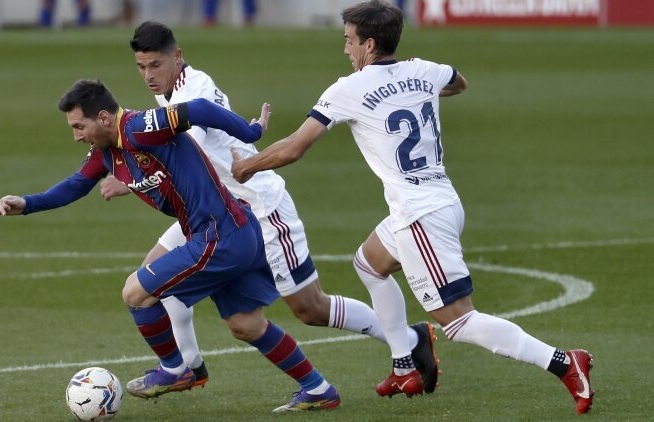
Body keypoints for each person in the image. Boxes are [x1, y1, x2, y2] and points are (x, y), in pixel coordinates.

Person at [230, 0, 595, 414]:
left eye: (349, 40)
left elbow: (294, 147)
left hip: (420, 217)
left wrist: (246, 167)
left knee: (459, 321)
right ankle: (404, 364)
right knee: (370, 263)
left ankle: (564, 362)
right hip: (439, 200)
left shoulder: (349, 89)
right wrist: (417, 92)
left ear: (369, 44)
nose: (346, 49)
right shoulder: (425, 70)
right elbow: (458, 83)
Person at [97, 20, 439, 404]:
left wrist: (133, 180)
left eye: (155, 65)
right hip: (215, 211)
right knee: (150, 282)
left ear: (177, 57)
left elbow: (186, 147)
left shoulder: (195, 90)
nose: (148, 75)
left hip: (261, 209)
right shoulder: (171, 91)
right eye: (141, 67)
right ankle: (187, 366)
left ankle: (408, 339)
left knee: (311, 308)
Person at [0, 79, 341, 413]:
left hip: (219, 236)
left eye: (79, 126)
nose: (76, 136)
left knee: (135, 292)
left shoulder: (138, 127)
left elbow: (199, 108)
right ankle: (318, 389)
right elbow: (74, 185)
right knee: (245, 325)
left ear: (103, 118)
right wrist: (27, 203)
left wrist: (251, 134)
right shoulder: (106, 152)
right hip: (233, 231)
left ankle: (176, 369)